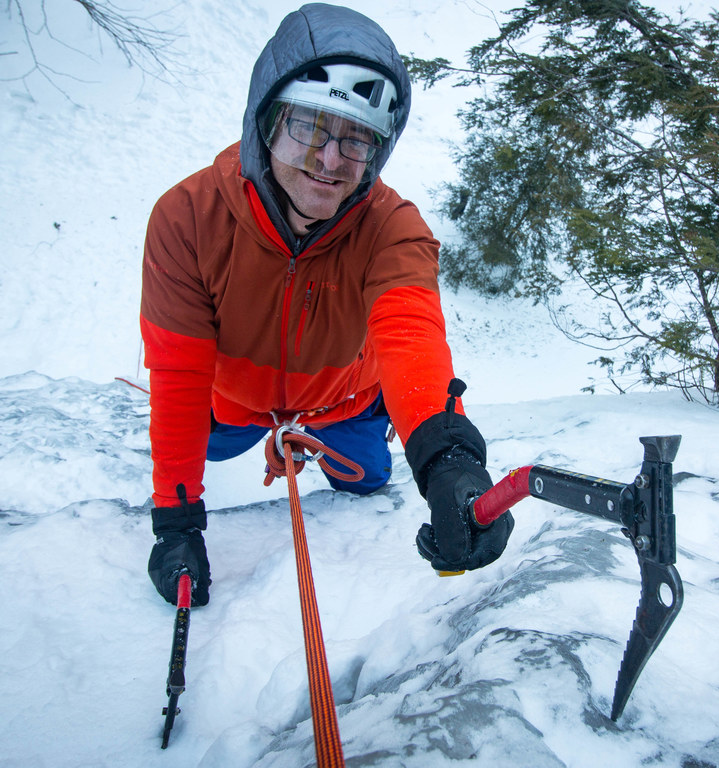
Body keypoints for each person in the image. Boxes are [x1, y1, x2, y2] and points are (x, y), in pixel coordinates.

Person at [140, 3, 513, 606]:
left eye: (356, 139)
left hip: (346, 401)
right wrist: (176, 523)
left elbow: (411, 341)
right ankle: (271, 434)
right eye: (309, 126)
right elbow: (180, 376)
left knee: (367, 483)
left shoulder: (393, 229)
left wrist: (449, 462)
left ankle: (337, 436)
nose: (330, 160)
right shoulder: (187, 219)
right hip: (232, 401)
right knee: (191, 442)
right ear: (266, 122)